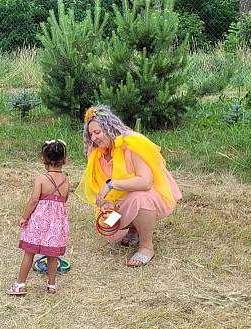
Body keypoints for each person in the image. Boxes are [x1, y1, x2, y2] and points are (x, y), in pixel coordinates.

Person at [78, 105, 182, 267]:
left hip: (149, 195)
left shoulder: (130, 144)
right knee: (109, 228)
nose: (94, 138)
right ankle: (133, 229)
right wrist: (107, 203)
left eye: (97, 132)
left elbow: (146, 182)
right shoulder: (97, 154)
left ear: (109, 127)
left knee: (139, 199)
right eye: (90, 134)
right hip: (121, 200)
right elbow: (103, 190)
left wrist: (111, 184)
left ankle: (147, 247)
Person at [8, 139, 70, 296]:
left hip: (39, 221)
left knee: (29, 252)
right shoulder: (66, 180)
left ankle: (20, 285)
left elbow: (34, 199)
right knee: (53, 254)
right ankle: (52, 285)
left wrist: (24, 217)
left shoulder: (41, 179)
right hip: (57, 223)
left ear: (44, 160)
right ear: (64, 159)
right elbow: (65, 199)